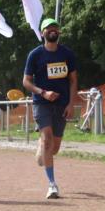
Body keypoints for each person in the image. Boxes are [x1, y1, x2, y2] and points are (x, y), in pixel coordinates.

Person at [23, 18, 78, 199]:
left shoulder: (67, 54)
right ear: (42, 33)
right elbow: (26, 81)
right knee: (48, 139)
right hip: (42, 103)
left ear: (59, 32)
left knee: (53, 148)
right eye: (49, 28)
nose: (52, 30)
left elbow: (73, 80)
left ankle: (43, 149)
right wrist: (43, 92)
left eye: (55, 28)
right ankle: (52, 184)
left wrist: (71, 103)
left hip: (61, 104)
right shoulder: (35, 55)